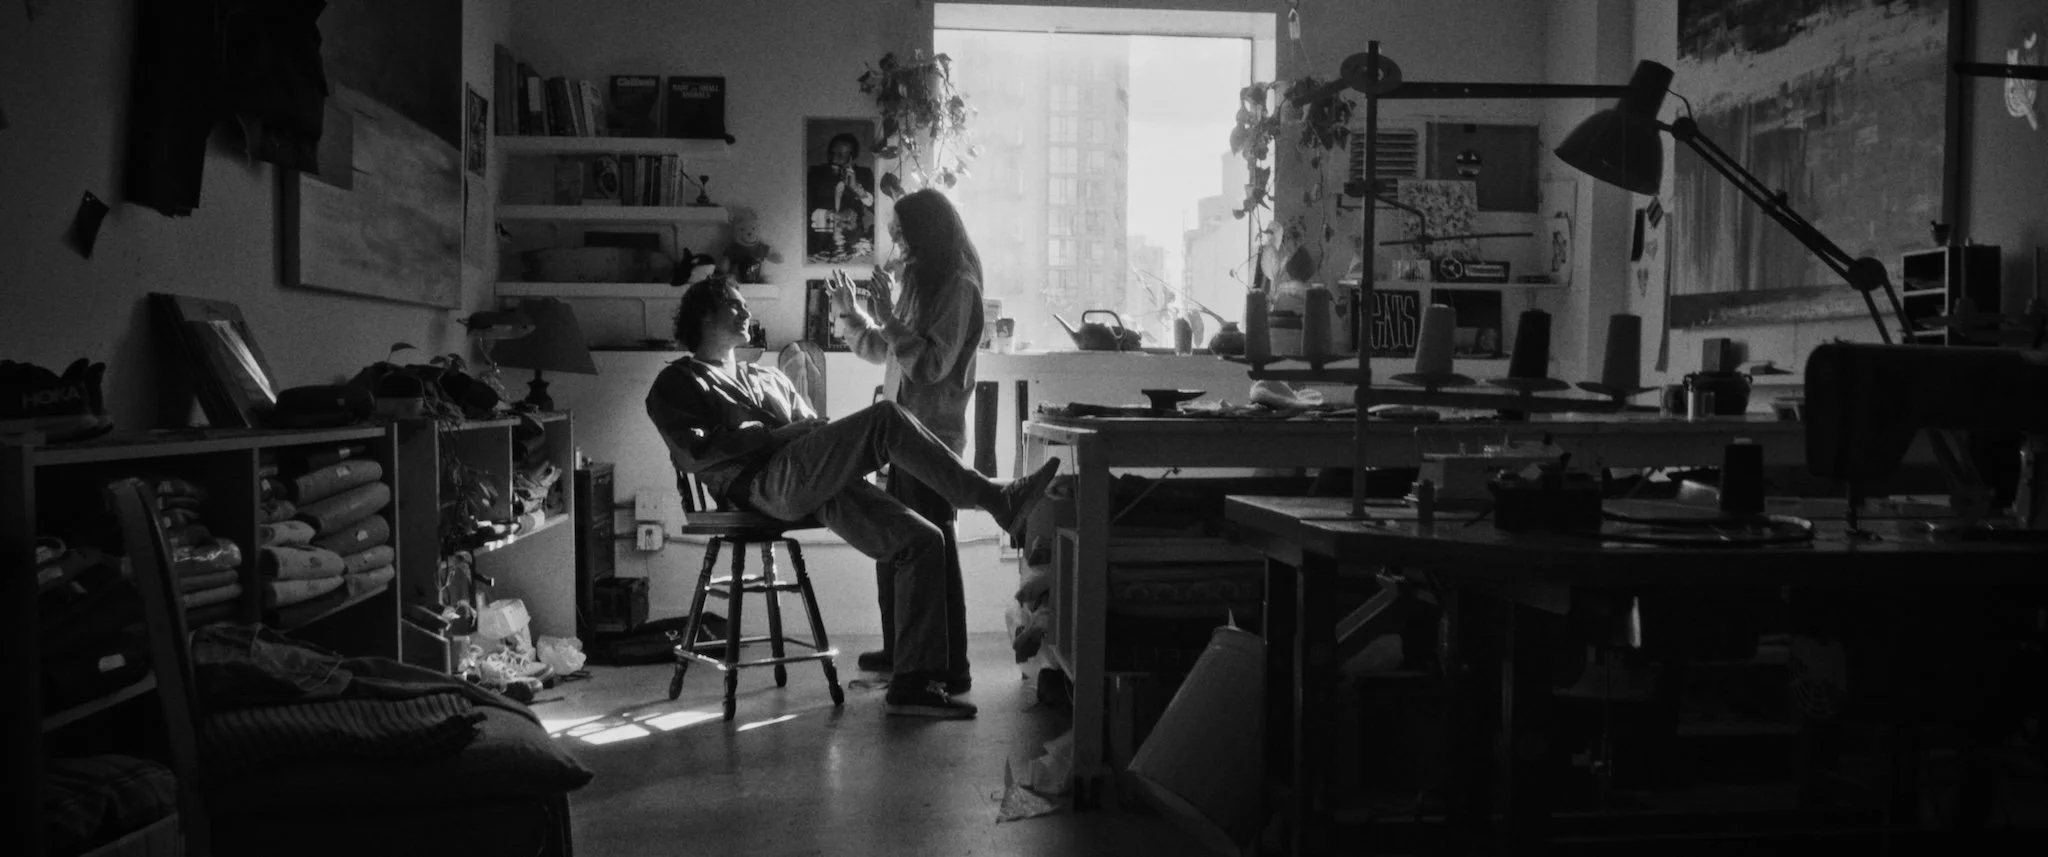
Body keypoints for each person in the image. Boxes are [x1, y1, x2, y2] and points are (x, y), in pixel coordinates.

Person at [646, 275, 1059, 718]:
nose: (747, 314)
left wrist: (836, 447)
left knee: (923, 540)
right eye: (735, 305)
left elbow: (814, 430)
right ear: (704, 315)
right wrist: (775, 434)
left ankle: (913, 685)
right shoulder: (679, 381)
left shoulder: (764, 376)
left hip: (809, 478)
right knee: (885, 418)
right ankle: (997, 499)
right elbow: (695, 452)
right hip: (761, 485)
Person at [826, 188, 985, 690]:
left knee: (933, 551)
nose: (894, 240)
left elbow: (932, 365)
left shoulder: (959, 288)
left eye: (901, 231)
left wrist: (891, 319)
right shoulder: (918, 281)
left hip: (932, 439)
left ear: (926, 233)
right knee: (897, 547)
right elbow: (886, 351)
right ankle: (902, 651)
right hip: (897, 436)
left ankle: (949, 668)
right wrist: (853, 314)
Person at [806, 132, 876, 263]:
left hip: (854, 243)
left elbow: (878, 209)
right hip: (820, 242)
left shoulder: (864, 174)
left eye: (840, 155)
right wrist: (829, 216)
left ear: (852, 157)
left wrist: (858, 190)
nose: (833, 159)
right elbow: (804, 209)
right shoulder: (815, 173)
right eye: (831, 153)